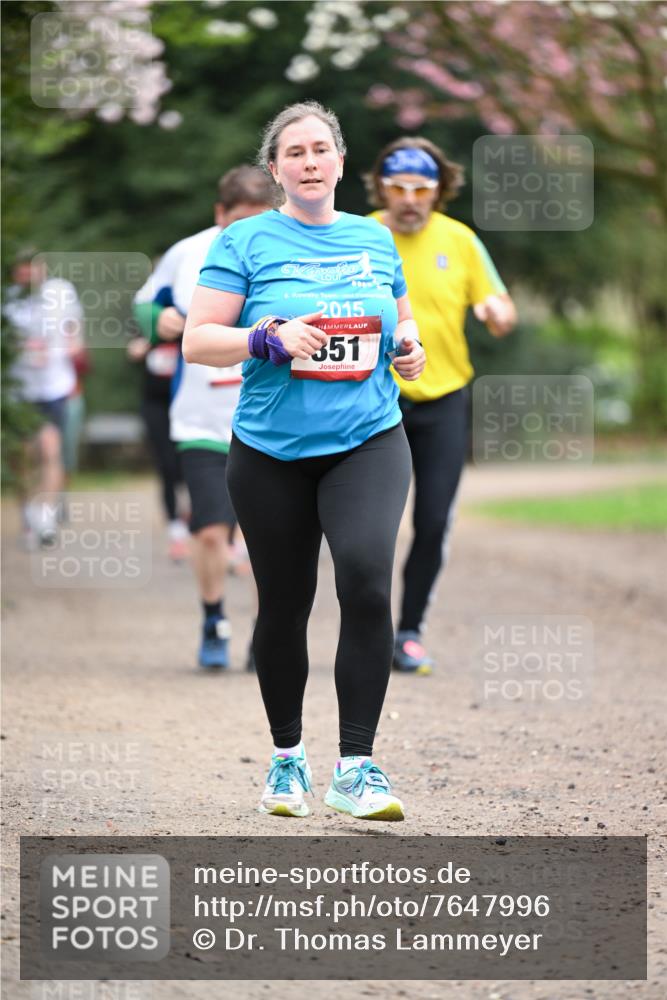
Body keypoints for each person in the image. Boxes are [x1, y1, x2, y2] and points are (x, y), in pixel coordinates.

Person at [183, 102, 425, 821]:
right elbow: (198, 340)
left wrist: (408, 349)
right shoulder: (246, 241)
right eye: (295, 152)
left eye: (321, 149)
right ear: (276, 169)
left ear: (341, 162)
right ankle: (287, 758)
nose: (310, 161)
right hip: (270, 452)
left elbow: (399, 318)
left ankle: (358, 767)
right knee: (285, 605)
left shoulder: (374, 240)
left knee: (365, 577)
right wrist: (266, 338)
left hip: (368, 439)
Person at [367, 137, 517, 674]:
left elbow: (500, 307)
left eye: (421, 188)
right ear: (382, 186)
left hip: (445, 400)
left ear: (438, 190)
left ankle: (409, 632)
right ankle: (371, 630)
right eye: (400, 187)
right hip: (374, 399)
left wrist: (498, 314)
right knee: (372, 527)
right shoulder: (360, 236)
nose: (410, 198)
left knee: (432, 521)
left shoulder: (461, 240)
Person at [134, 166, 277, 670]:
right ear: (220, 214)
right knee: (212, 530)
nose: (247, 233)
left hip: (269, 420)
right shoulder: (187, 253)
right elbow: (145, 306)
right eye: (238, 221)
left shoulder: (289, 251)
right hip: (200, 420)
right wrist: (161, 320)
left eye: (259, 221)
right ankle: (214, 618)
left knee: (270, 537)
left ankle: (269, 634)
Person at [4, 252, 84, 547]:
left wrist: (73, 345)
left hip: (54, 386)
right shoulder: (8, 300)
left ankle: (46, 516)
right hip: (18, 390)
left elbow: (75, 326)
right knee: (24, 456)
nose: (27, 276)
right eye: (21, 271)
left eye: (32, 270)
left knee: (51, 450)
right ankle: (29, 514)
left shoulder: (61, 292)